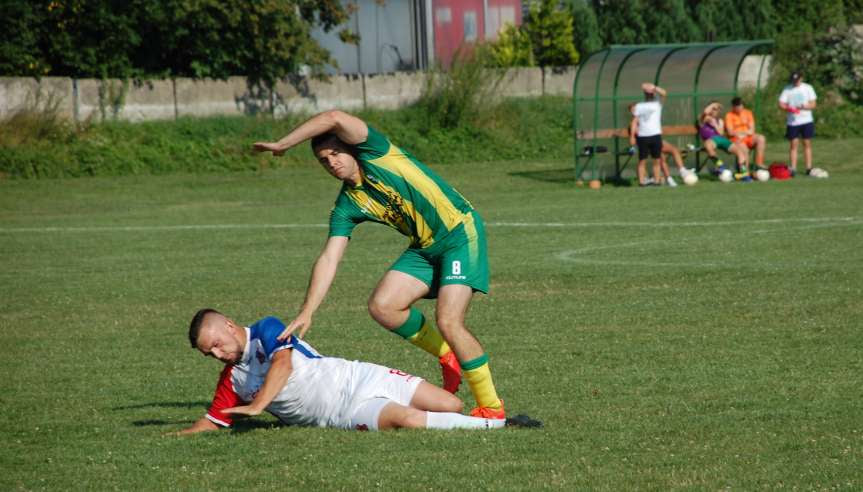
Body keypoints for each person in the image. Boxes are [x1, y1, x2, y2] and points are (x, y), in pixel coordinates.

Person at [251, 110, 505, 419]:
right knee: (383, 306)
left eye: (335, 153)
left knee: (449, 321)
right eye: (323, 160)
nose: (331, 162)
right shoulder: (348, 204)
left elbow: (333, 116)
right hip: (425, 247)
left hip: (459, 233)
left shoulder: (377, 152)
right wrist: (308, 310)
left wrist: (283, 143)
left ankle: (491, 407)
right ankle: (445, 353)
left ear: (350, 147)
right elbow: (330, 257)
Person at [173, 309, 540, 435]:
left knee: (452, 406)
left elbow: (282, 364)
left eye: (217, 344)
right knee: (410, 421)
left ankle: (471, 415)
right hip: (342, 413)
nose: (218, 354)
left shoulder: (268, 329)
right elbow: (212, 422)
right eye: (210, 353)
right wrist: (172, 436)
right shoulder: (233, 381)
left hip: (360, 376)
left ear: (230, 325)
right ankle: (504, 425)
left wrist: (258, 407)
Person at [628, 103, 696, 187]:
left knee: (674, 150)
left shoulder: (646, 118)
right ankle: (668, 179)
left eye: (636, 109)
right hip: (646, 143)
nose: (635, 111)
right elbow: (638, 134)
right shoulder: (634, 123)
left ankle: (682, 171)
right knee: (661, 158)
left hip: (655, 139)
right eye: (633, 110)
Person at [778, 71, 818, 176]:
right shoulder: (787, 89)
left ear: (801, 78)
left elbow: (813, 104)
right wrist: (788, 108)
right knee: (793, 144)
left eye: (797, 80)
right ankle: (793, 168)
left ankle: (809, 168)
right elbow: (781, 103)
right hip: (793, 122)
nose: (796, 82)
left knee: (807, 143)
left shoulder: (808, 88)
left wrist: (804, 107)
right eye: (794, 80)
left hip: (806, 120)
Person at [699, 101, 750, 180]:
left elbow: (721, 133)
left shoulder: (720, 121)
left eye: (716, 109)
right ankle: (720, 166)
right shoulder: (704, 119)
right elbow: (705, 112)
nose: (714, 111)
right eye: (713, 109)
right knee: (708, 145)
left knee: (740, 151)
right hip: (711, 140)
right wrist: (712, 105)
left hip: (722, 140)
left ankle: (744, 173)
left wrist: (716, 125)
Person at [631, 82, 667, 186]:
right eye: (649, 93)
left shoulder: (657, 104)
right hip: (643, 135)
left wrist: (654, 87)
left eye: (652, 93)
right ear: (645, 94)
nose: (651, 95)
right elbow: (635, 120)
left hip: (655, 134)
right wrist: (633, 136)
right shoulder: (639, 106)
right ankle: (642, 182)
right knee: (642, 160)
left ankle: (657, 181)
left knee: (656, 159)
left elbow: (664, 93)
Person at [724, 97, 767, 170]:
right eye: (737, 106)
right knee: (744, 149)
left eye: (740, 105)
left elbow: (752, 130)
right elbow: (730, 132)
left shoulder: (748, 113)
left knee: (761, 138)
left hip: (748, 137)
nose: (739, 108)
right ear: (733, 107)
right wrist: (743, 133)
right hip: (736, 139)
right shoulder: (729, 115)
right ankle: (745, 171)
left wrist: (742, 133)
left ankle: (759, 164)